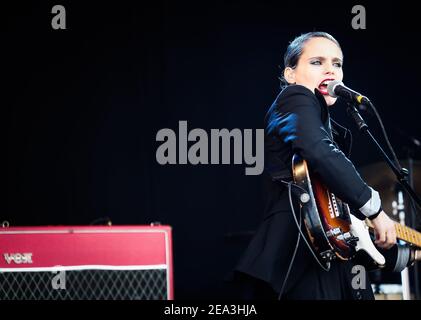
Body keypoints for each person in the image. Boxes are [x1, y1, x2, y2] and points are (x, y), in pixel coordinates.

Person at [232, 31, 418, 300]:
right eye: (317, 62)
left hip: (336, 258)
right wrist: (374, 208)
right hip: (302, 254)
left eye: (337, 64)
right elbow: (318, 151)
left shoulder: (327, 126)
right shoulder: (294, 97)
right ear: (290, 74)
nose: (331, 70)